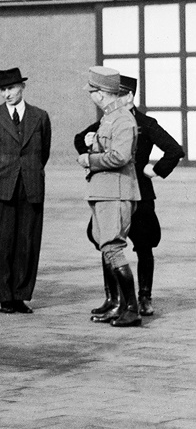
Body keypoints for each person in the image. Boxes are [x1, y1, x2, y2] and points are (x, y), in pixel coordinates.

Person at [76, 74, 183, 317]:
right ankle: (113, 298)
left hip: (139, 193)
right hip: (111, 191)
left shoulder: (143, 122)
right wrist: (87, 145)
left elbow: (175, 150)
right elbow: (80, 140)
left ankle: (143, 298)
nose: (117, 98)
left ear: (130, 95)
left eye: (121, 93)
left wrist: (155, 170)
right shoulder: (108, 119)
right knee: (107, 243)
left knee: (143, 245)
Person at [0, 67, 52, 314]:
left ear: (22, 87)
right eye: (3, 90)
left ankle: (20, 295)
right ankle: (3, 296)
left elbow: (44, 153)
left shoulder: (40, 117)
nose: (7, 94)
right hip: (0, 186)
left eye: (11, 88)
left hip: (30, 187)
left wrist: (28, 171)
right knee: (2, 242)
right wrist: (1, 172)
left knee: (27, 242)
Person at [78, 66, 141, 327]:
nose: (91, 96)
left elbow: (120, 156)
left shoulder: (123, 120)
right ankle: (119, 306)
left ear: (102, 94)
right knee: (106, 246)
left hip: (115, 193)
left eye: (92, 92)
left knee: (113, 249)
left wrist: (89, 158)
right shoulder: (110, 118)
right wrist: (94, 144)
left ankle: (132, 309)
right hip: (106, 192)